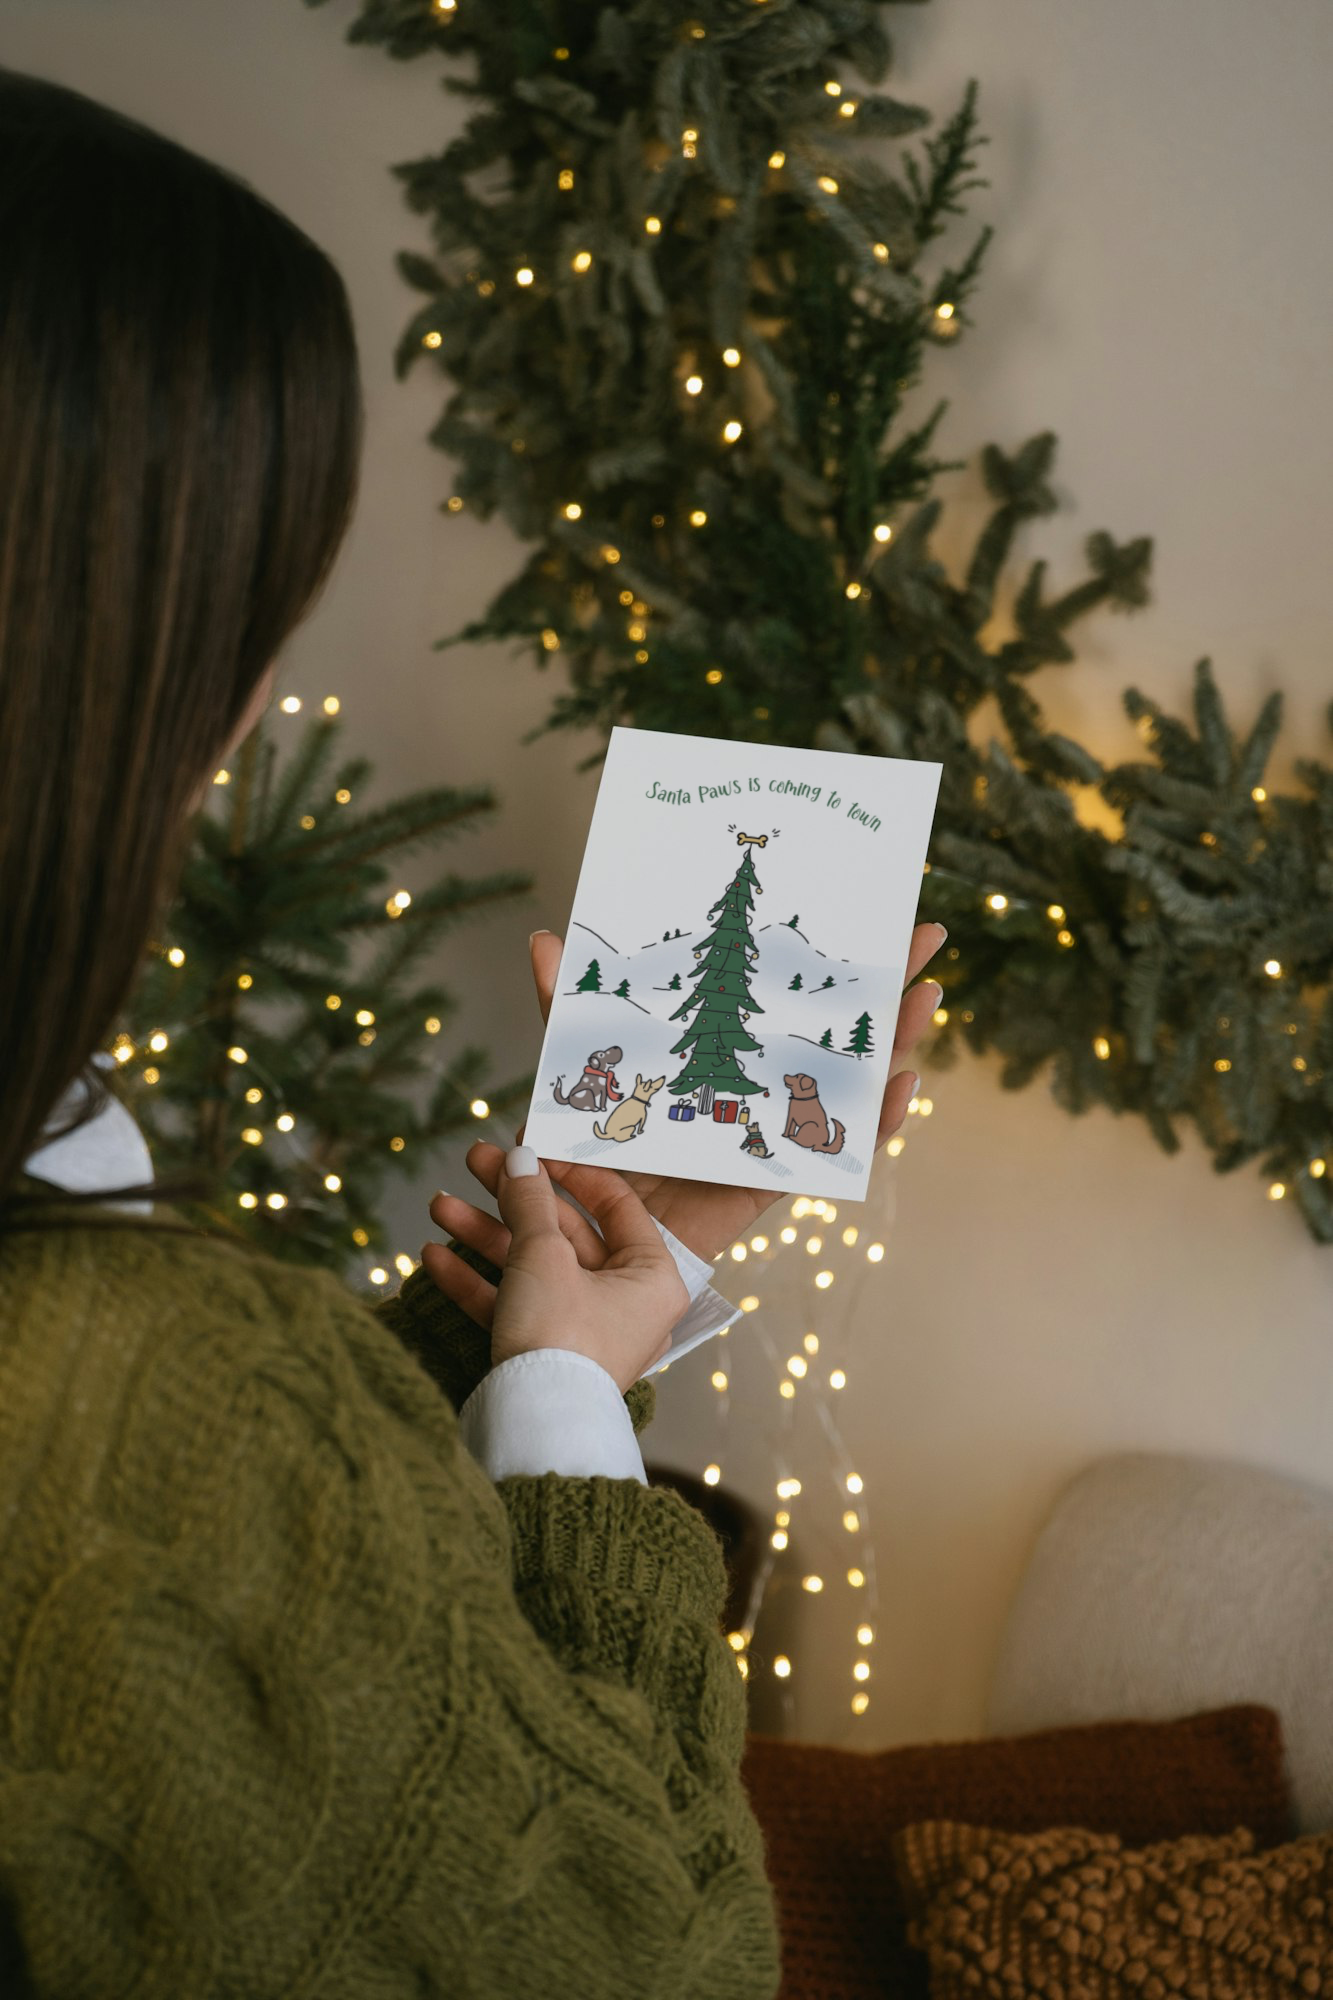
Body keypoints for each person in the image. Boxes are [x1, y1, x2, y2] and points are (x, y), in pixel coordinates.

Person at [0, 65, 946, 1999]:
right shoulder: (134, 1388)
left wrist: (535, 1314)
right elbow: (655, 1953)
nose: (261, 701)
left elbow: (185, 1655)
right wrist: (568, 1415)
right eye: (261, 602)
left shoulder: (147, 1381)